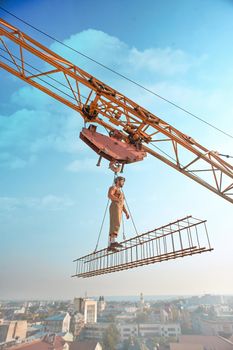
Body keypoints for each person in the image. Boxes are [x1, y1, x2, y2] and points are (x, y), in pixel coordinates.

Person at [108, 176, 129, 250]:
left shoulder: (121, 192)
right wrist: (117, 200)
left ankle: (111, 243)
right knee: (115, 223)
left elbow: (122, 204)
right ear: (118, 181)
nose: (123, 183)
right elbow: (110, 195)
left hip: (119, 207)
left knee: (117, 223)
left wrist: (126, 212)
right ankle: (113, 242)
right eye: (122, 181)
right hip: (115, 206)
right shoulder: (114, 188)